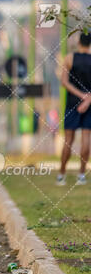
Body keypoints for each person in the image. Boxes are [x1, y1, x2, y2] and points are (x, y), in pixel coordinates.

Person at [57, 32, 91, 185]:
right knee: (86, 140)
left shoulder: (70, 58)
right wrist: (88, 99)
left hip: (72, 104)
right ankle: (81, 175)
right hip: (90, 105)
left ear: (79, 42)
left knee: (68, 140)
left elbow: (64, 82)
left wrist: (81, 96)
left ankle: (61, 174)